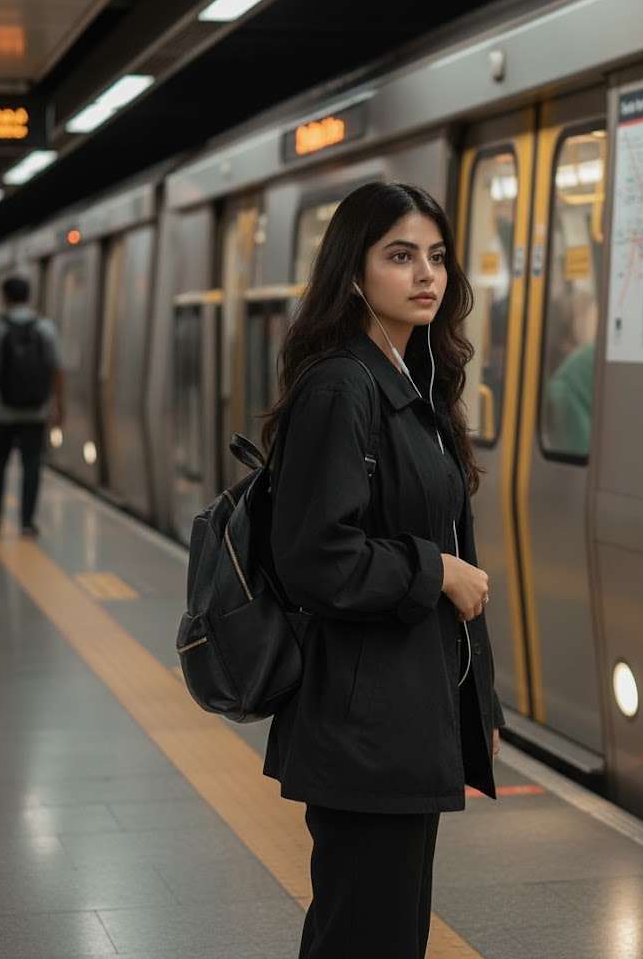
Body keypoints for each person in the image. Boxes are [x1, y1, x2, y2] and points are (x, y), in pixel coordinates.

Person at [260, 182, 504, 959]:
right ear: (354, 271)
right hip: (364, 726)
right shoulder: (342, 386)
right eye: (400, 256)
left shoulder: (412, 381)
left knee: (381, 933)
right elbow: (314, 558)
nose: (426, 273)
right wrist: (433, 573)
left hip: (403, 712)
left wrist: (480, 708)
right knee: (366, 937)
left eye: (436, 256)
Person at [0, 274, 65, 535]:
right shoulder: (45, 328)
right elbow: (57, 369)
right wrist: (59, 407)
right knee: (32, 464)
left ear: (5, 297)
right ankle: (26, 521)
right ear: (28, 296)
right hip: (36, 410)